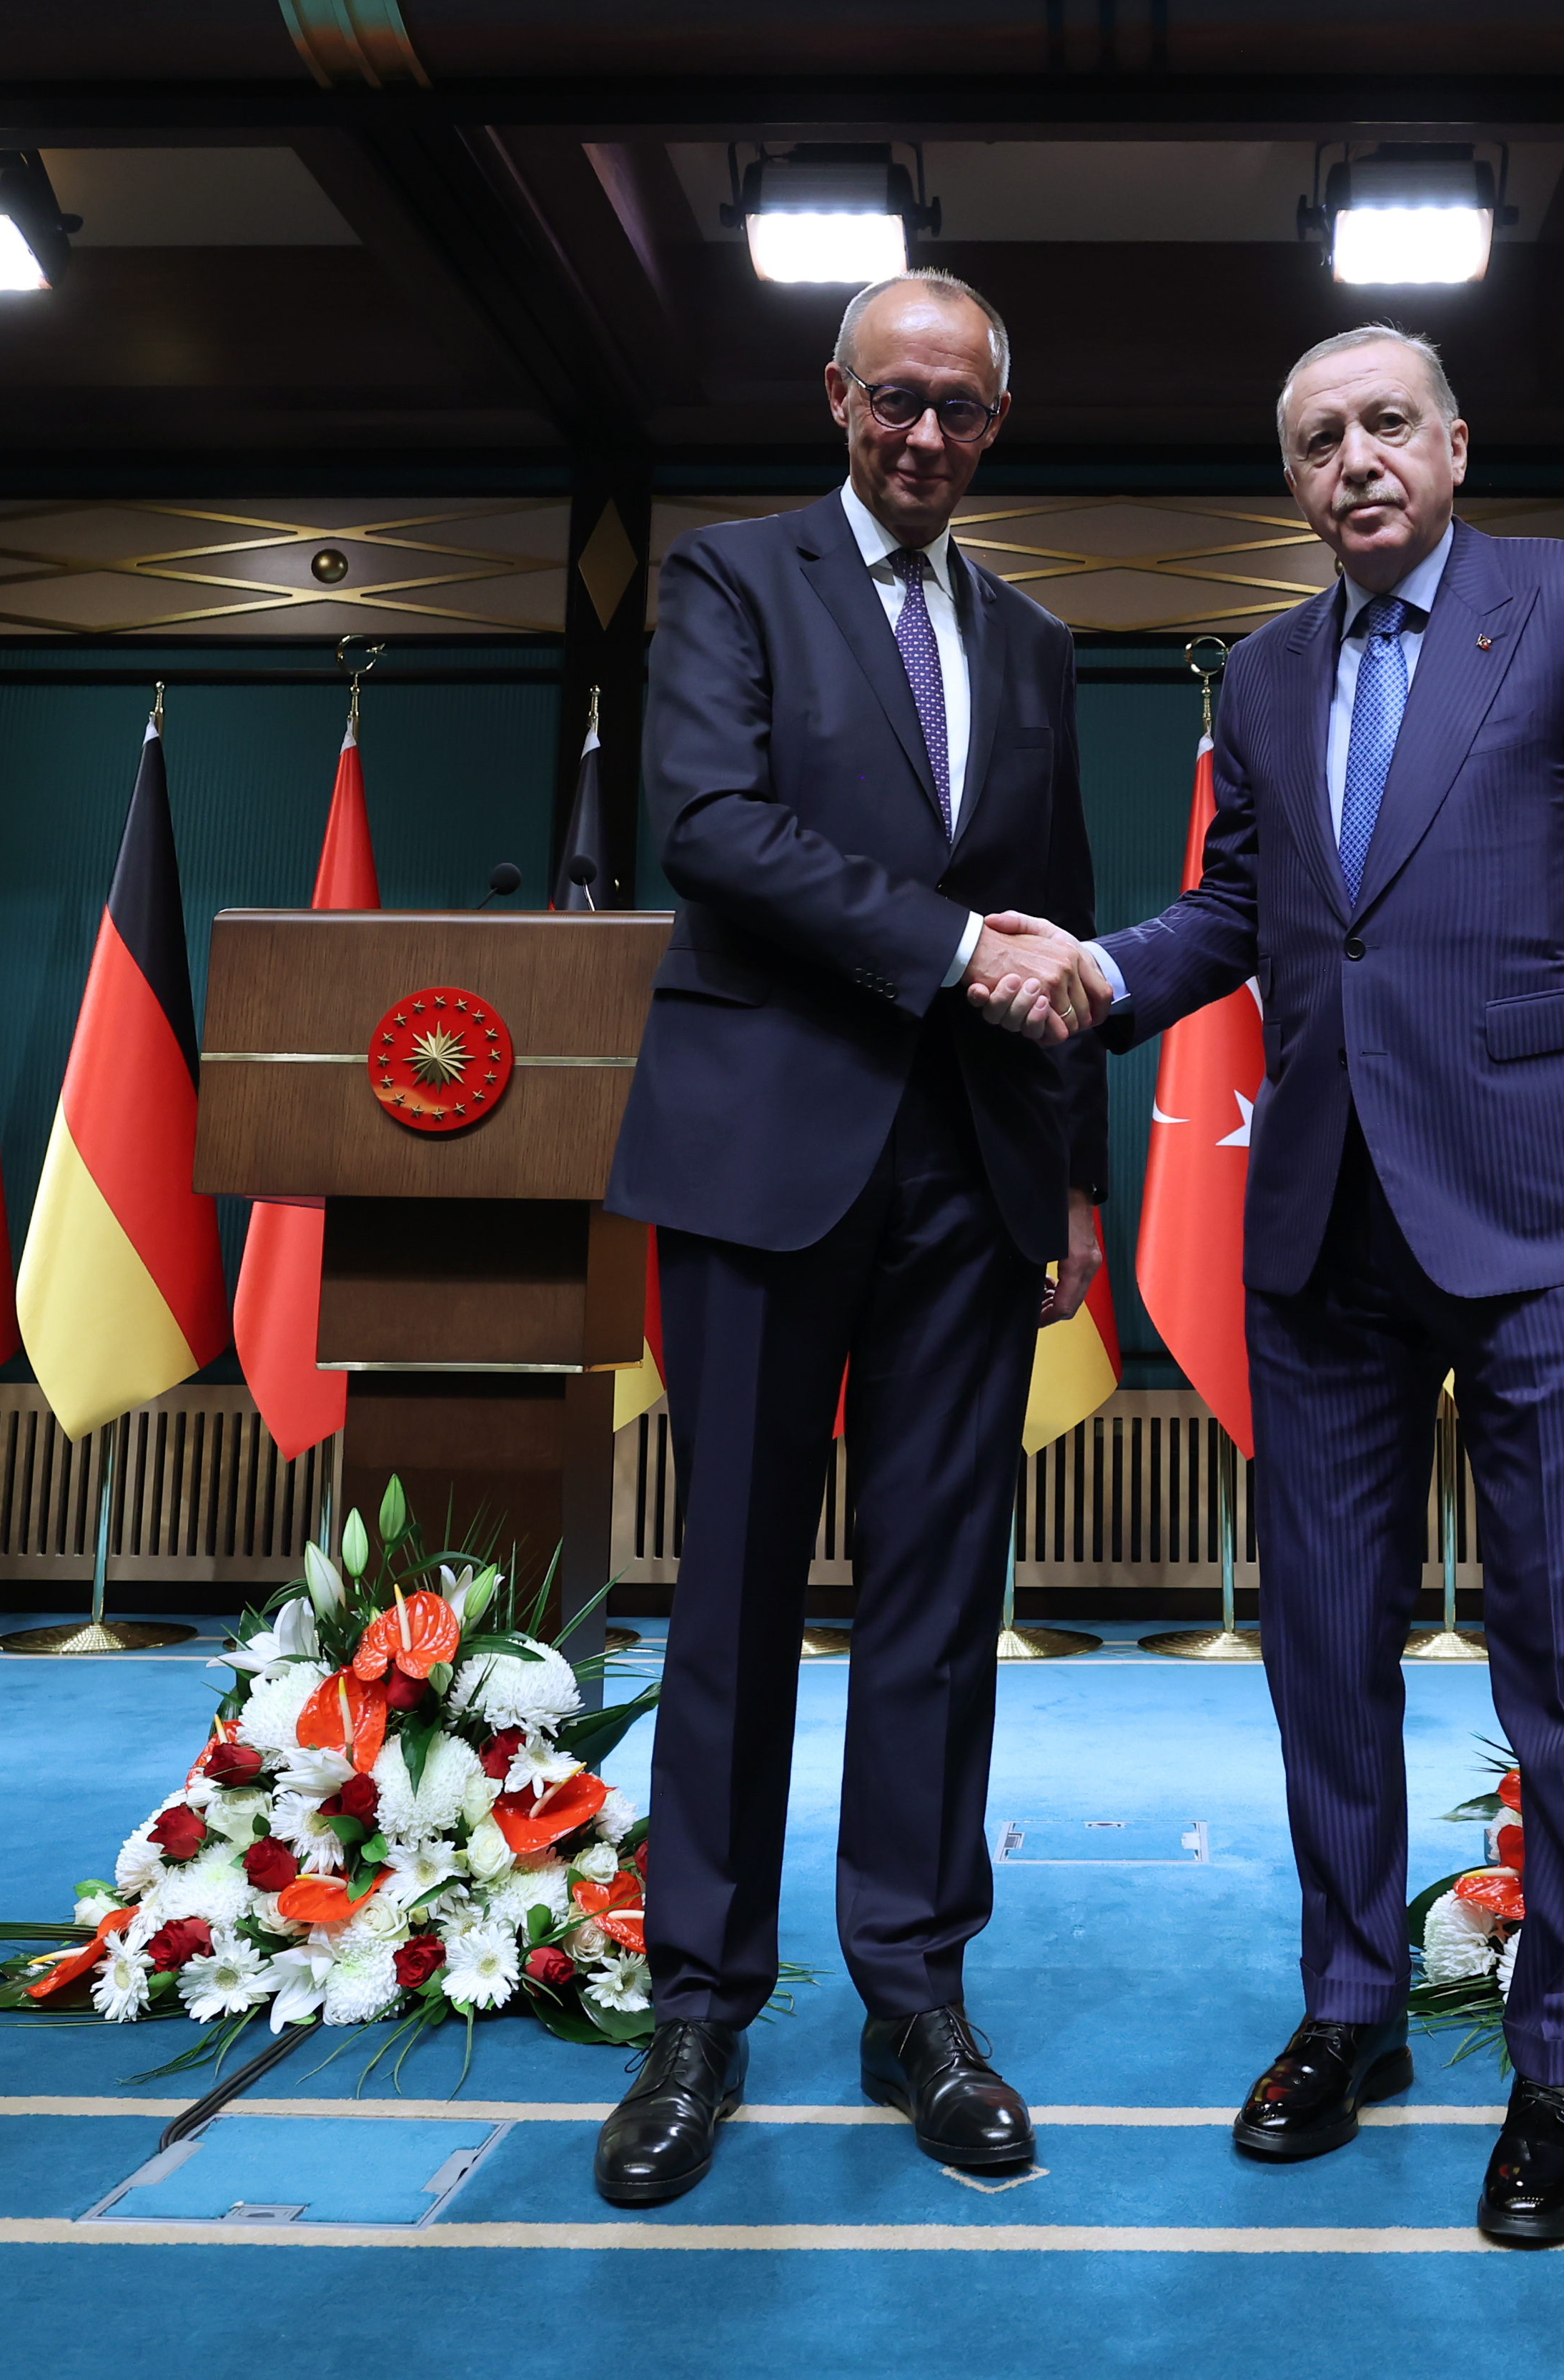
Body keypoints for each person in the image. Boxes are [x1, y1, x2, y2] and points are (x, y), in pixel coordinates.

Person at [974, 324, 1564, 2248]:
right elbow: (1241, 906)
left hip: (1540, 1202)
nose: (1356, 459)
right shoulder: (1267, 671)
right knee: (1320, 1639)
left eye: (1388, 424)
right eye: (1318, 439)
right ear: (1293, 482)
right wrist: (1102, 972)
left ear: (1456, 444)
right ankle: (1351, 2007)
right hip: (1318, 1221)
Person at [595, 271, 1109, 2208]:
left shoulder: (1035, 641)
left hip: (973, 1177)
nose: (924, 435)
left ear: (995, 424)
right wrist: (950, 947)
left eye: (958, 409)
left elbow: (1060, 919)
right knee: (730, 1593)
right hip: (760, 1157)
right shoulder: (730, 578)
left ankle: (917, 2000)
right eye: (896, 398)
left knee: (937, 1609)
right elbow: (709, 825)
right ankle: (700, 2011)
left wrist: (1074, 1180)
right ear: (835, 396)